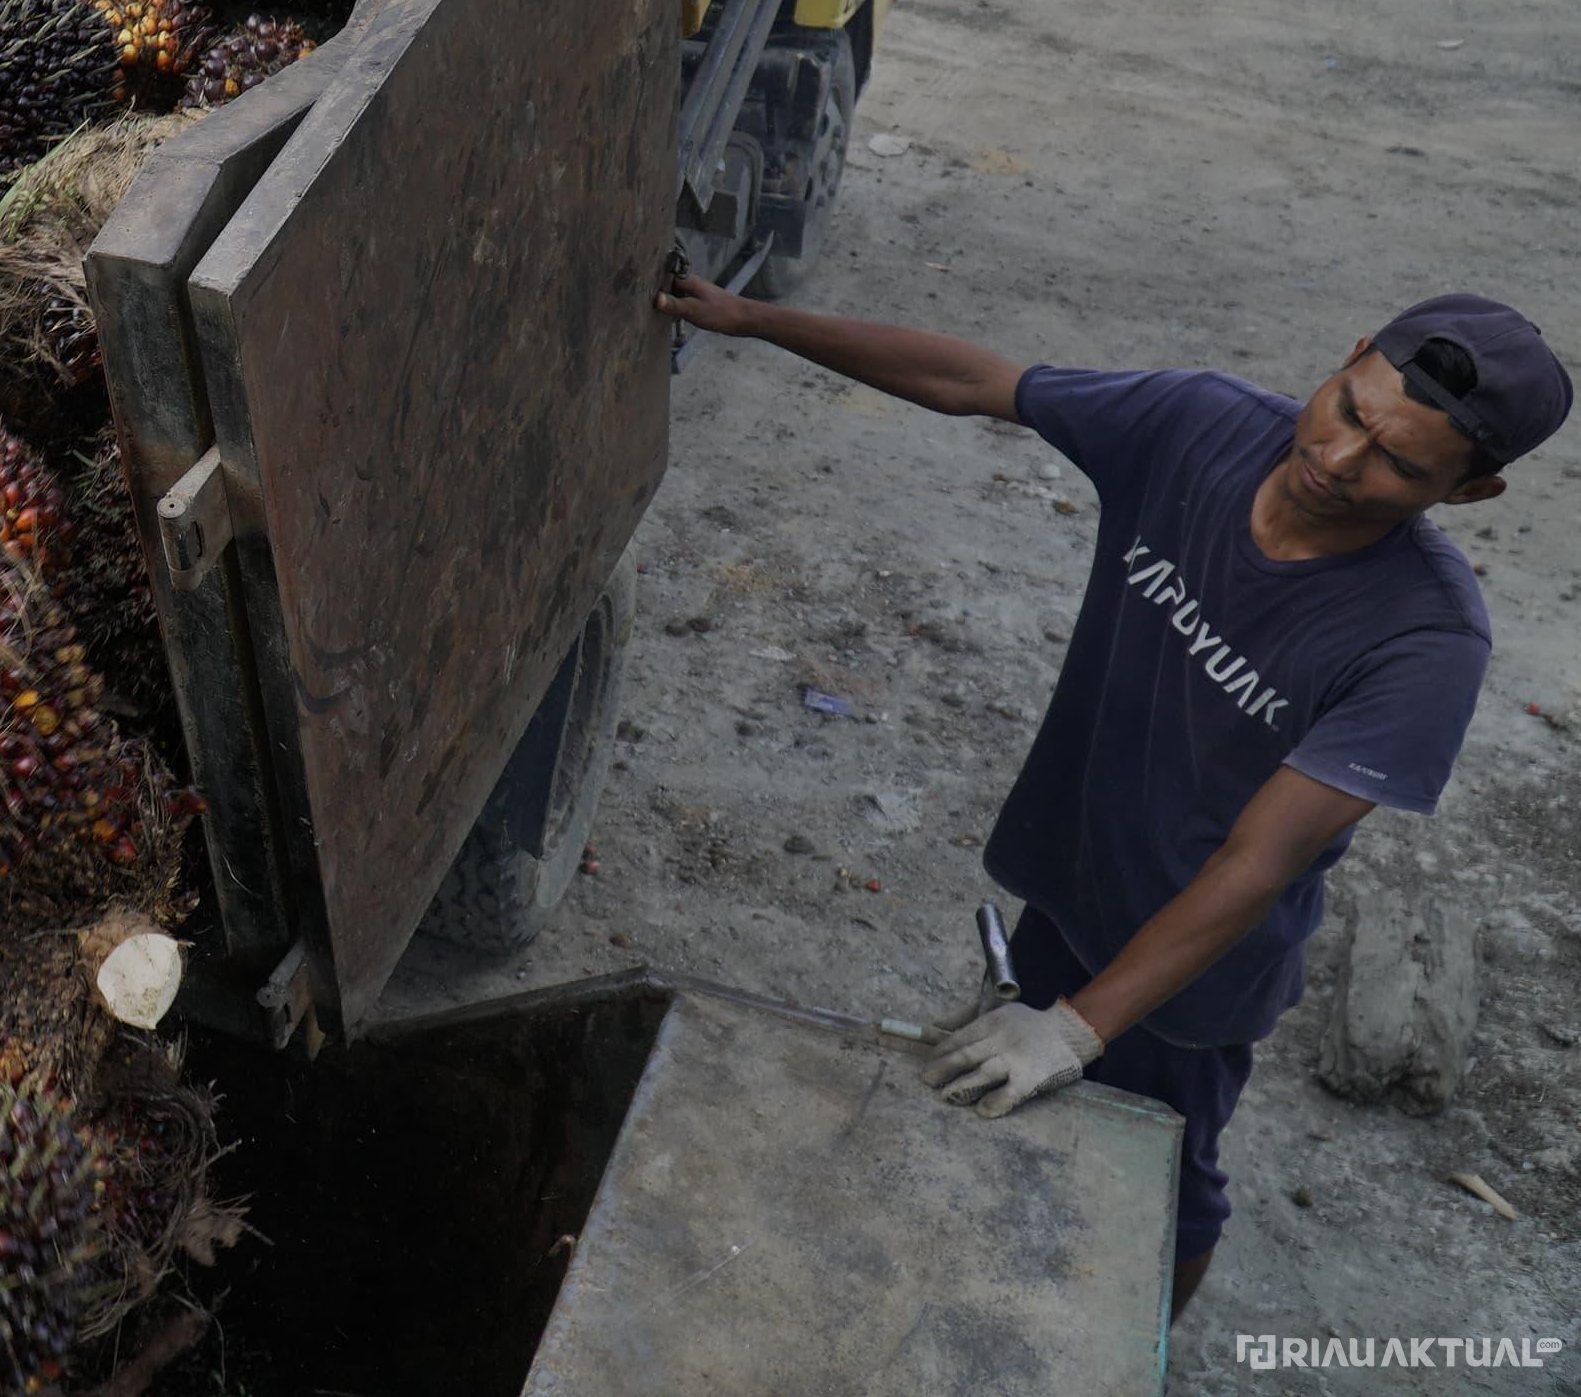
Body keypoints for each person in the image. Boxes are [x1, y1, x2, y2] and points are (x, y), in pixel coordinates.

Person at [654, 270, 1569, 1320]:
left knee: (1161, 1182)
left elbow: (1255, 863)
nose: (1332, 457)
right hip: (1072, 879)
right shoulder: (1196, 427)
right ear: (1349, 352)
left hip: (1192, 971)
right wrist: (751, 316)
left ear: (1465, 492)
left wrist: (1078, 1029)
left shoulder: (1422, 641)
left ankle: (1135, 1354)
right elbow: (971, 379)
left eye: (1396, 461)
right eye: (1345, 407)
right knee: (1012, 1113)